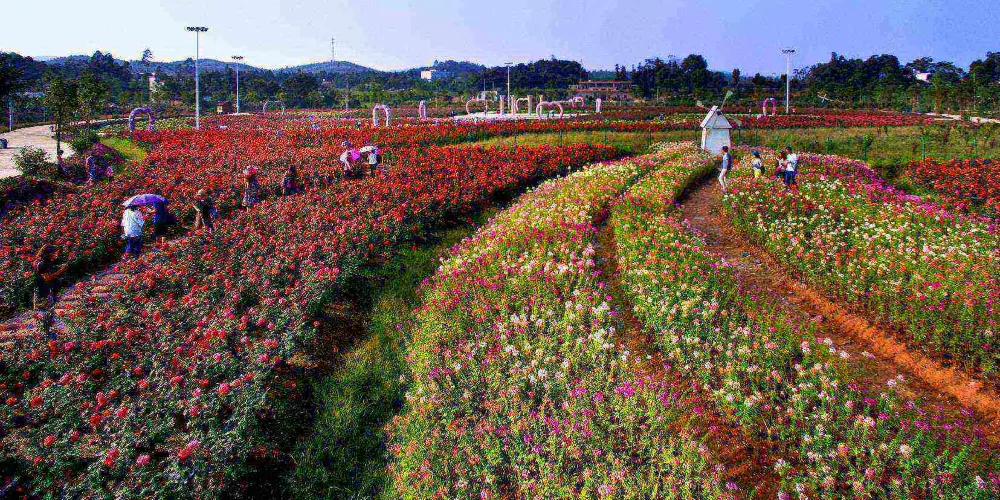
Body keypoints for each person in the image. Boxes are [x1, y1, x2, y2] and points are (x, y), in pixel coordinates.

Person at [32, 244, 68, 339]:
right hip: (42, 291)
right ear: (48, 254)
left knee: (49, 312)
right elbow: (47, 278)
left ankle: (49, 334)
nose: (55, 255)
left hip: (47, 290)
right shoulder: (41, 264)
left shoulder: (47, 263)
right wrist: (61, 270)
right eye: (53, 253)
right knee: (44, 313)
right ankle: (46, 335)